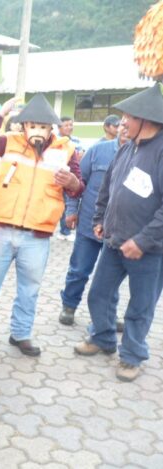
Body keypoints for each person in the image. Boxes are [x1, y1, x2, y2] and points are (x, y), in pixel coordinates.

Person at [0, 94, 84, 356]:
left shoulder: (66, 151)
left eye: (43, 126)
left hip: (37, 235)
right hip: (2, 229)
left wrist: (71, 182)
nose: (37, 130)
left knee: (30, 289)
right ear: (24, 126)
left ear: (51, 128)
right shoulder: (9, 142)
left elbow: (78, 187)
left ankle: (20, 333)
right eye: (32, 125)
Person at [74, 83, 163, 382]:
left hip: (149, 250)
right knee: (99, 294)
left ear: (146, 119)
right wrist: (100, 218)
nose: (122, 122)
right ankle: (103, 338)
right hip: (114, 242)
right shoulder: (126, 149)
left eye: (128, 117)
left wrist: (143, 240)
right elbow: (107, 187)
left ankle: (132, 356)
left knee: (140, 307)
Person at [59, 122, 128, 326]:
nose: (125, 128)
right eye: (122, 124)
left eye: (129, 124)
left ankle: (106, 315)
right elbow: (78, 183)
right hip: (89, 223)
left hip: (118, 229)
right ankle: (69, 306)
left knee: (111, 277)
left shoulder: (141, 156)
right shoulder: (98, 151)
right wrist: (71, 211)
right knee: (79, 270)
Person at [56, 116, 83, 241]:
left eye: (71, 125)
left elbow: (81, 155)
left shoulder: (76, 140)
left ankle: (64, 231)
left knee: (68, 204)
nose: (69, 127)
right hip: (58, 177)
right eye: (66, 125)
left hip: (72, 178)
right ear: (59, 127)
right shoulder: (55, 141)